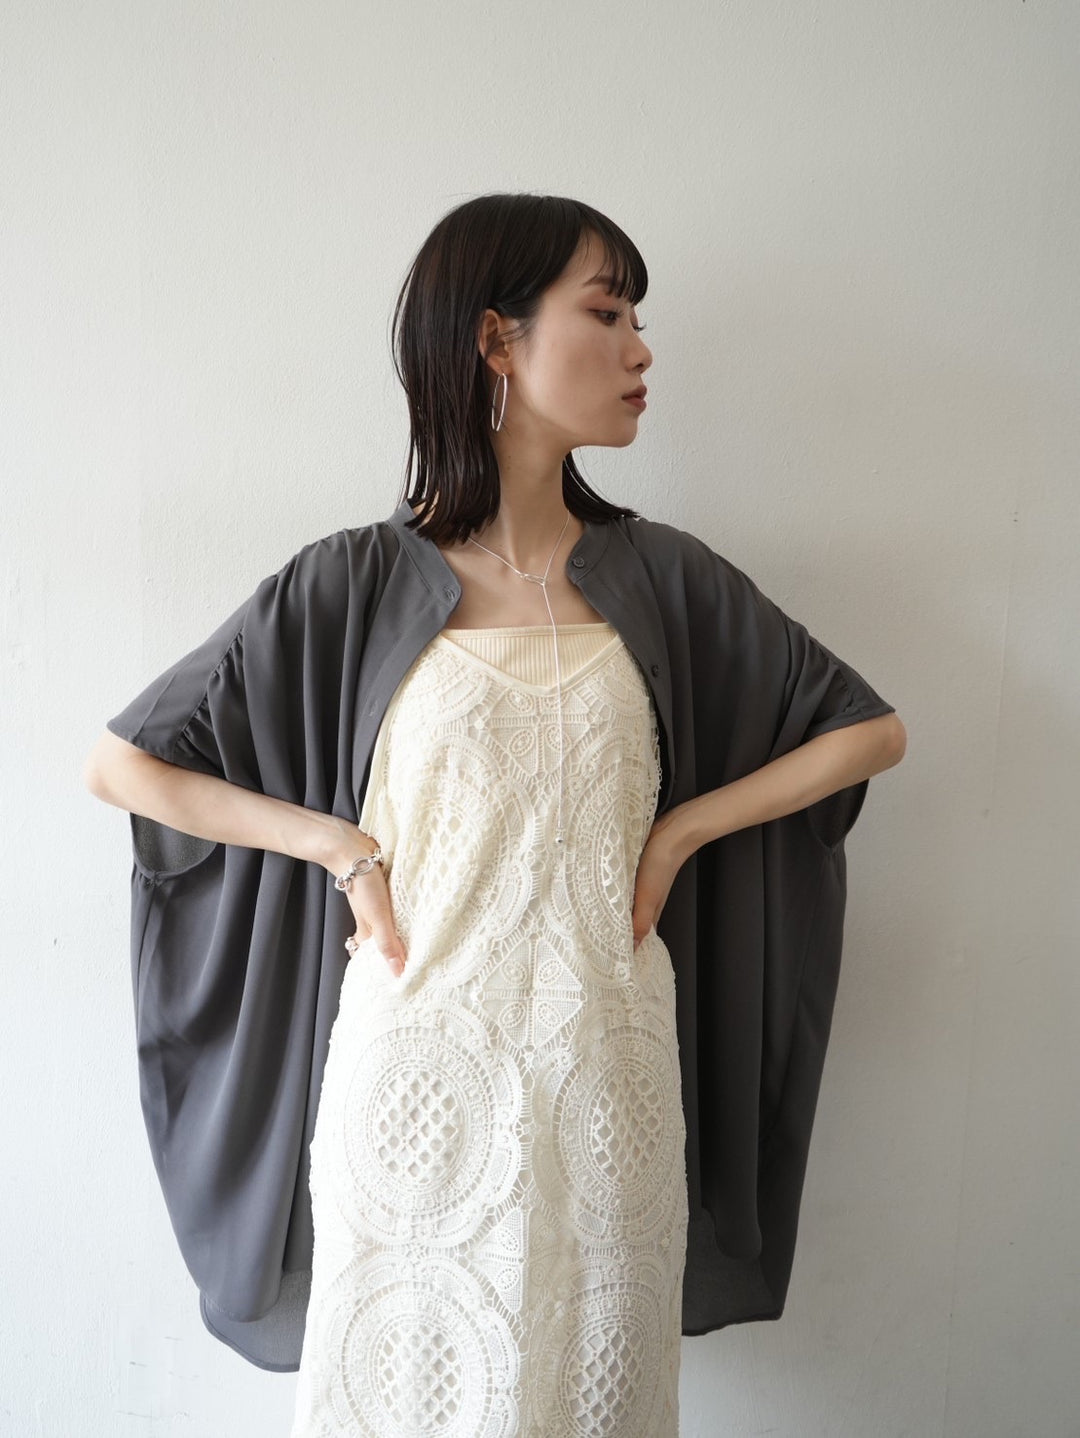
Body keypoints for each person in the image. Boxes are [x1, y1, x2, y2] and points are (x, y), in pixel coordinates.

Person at [84, 192, 906, 1437]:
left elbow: (867, 730)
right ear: (493, 340)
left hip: (611, 1084)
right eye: (607, 312)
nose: (641, 348)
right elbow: (128, 763)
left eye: (638, 319)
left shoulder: (664, 578)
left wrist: (682, 831)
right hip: (416, 1090)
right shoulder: (353, 582)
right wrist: (336, 846)